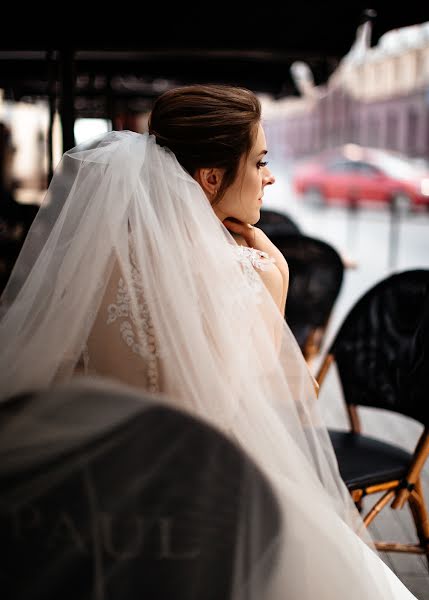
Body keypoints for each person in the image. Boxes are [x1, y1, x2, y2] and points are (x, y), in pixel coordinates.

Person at [0, 84, 418, 599]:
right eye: (260, 160)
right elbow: (289, 411)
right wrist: (278, 272)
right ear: (212, 177)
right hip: (216, 511)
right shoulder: (255, 273)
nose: (270, 176)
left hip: (94, 512)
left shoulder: (85, 266)